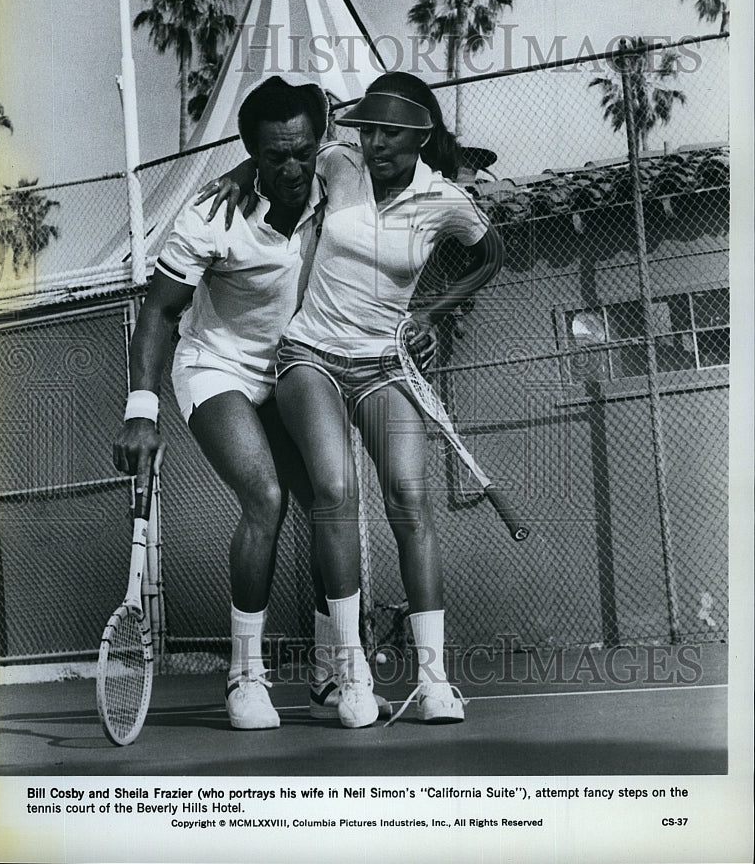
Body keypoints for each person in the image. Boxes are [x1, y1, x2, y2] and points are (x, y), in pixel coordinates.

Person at [200, 71, 504, 728]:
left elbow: (491, 255)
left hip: (382, 365)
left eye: (390, 131)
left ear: (420, 135)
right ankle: (351, 673)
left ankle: (432, 682)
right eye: (368, 128)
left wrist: (432, 315)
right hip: (308, 356)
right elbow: (280, 145)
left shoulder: (445, 200)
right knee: (334, 494)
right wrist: (236, 174)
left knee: (410, 498)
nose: (374, 141)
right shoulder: (338, 164)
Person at [113, 75, 337, 731]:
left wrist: (252, 164)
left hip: (294, 366)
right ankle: (245, 678)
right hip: (217, 367)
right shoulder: (209, 216)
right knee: (264, 498)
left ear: (321, 141)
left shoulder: (341, 176)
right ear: (253, 156)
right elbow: (157, 311)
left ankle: (331, 671)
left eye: (303, 151)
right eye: (273, 157)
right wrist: (141, 409)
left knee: (332, 496)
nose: (292, 168)